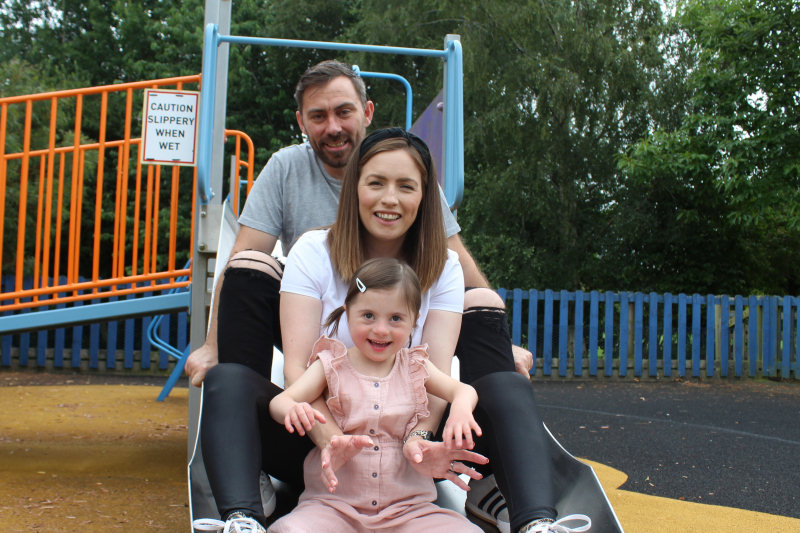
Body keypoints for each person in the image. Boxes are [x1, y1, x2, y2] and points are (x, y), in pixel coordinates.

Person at [195, 127, 591, 533]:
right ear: (354, 187)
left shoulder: (444, 267)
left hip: (411, 460)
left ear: (424, 196)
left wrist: (419, 439)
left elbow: (435, 379)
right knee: (228, 379)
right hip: (321, 450)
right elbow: (297, 370)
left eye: (406, 186)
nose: (390, 199)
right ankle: (243, 516)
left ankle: (536, 522)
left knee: (507, 384)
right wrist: (332, 440)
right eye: (376, 183)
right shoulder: (314, 252)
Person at [267, 257, 484, 533]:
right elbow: (280, 401)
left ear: (414, 321)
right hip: (333, 507)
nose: (381, 329)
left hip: (409, 510)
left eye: (396, 318)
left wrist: (460, 410)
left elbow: (463, 390)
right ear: (348, 313)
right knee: (291, 530)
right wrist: (294, 411)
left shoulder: (416, 365)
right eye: (368, 315)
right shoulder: (330, 365)